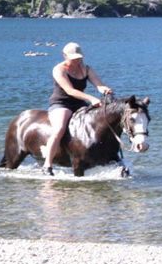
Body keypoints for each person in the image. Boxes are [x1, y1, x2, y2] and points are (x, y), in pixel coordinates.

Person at [43, 42, 113, 175]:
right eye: (73, 58)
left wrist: (104, 89)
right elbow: (69, 90)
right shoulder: (59, 70)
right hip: (61, 103)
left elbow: (98, 85)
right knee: (59, 129)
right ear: (64, 56)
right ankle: (47, 165)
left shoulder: (87, 69)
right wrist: (91, 99)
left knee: (101, 122)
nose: (77, 61)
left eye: (79, 58)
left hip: (79, 103)